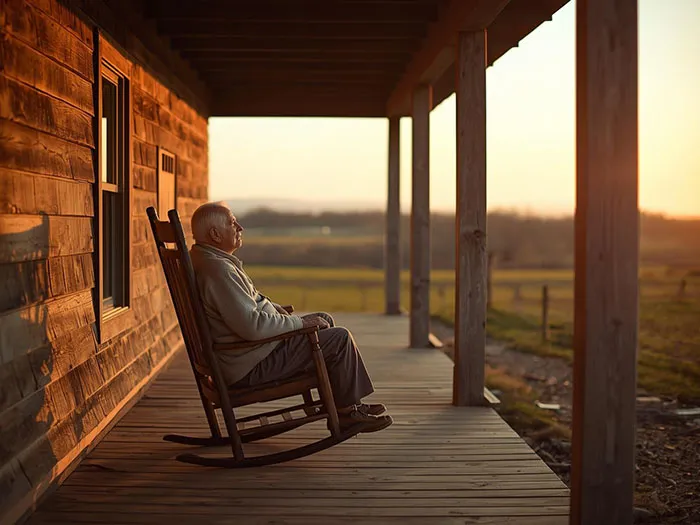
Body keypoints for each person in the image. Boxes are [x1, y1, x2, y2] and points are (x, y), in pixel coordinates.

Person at [189, 201, 392, 433]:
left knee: (324, 319)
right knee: (339, 338)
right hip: (250, 364)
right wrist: (300, 323)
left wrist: (275, 309)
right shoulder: (219, 271)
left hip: (247, 354)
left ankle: (347, 404)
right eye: (232, 223)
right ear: (215, 234)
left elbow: (246, 305)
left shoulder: (209, 261)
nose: (240, 227)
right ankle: (347, 415)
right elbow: (253, 326)